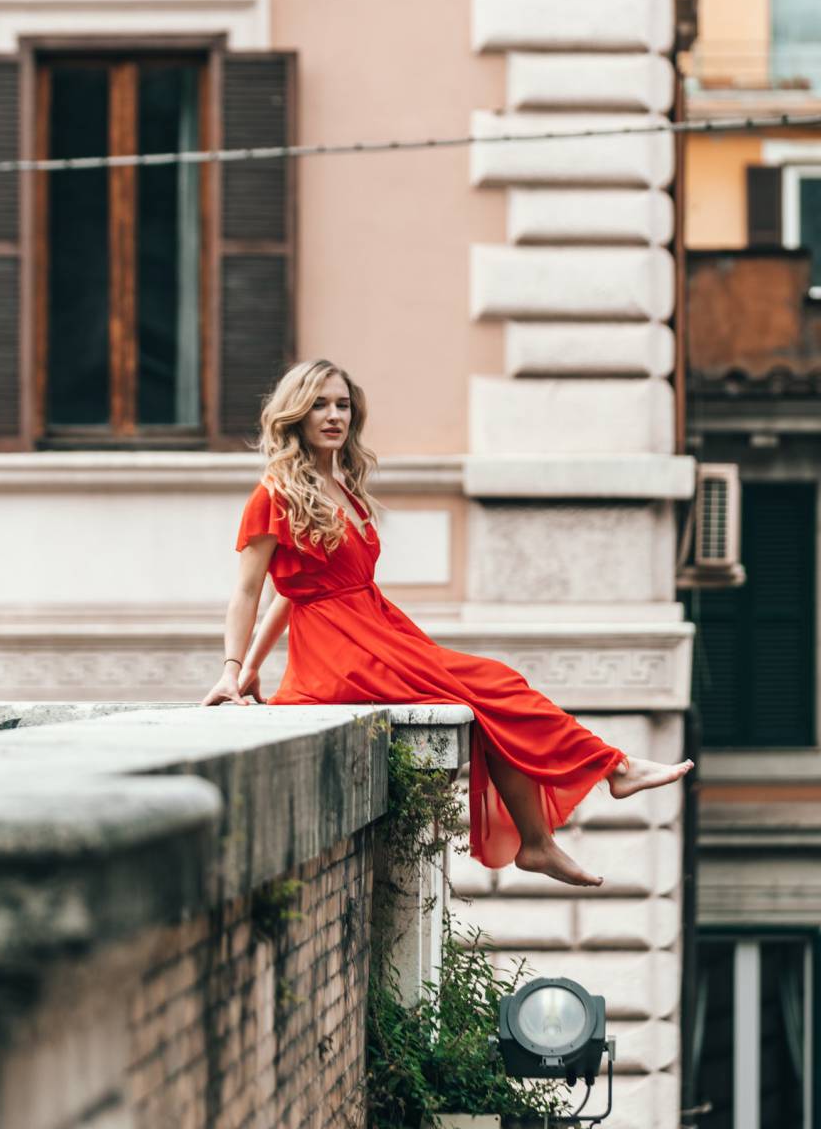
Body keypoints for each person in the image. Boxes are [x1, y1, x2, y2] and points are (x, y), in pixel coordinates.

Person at [203, 359, 692, 887]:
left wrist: (256, 669)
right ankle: (610, 770)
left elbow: (290, 595)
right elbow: (253, 590)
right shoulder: (275, 492)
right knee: (493, 684)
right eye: (319, 404)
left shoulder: (343, 485)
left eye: (342, 405)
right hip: (341, 653)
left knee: (491, 689)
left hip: (376, 630)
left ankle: (537, 841)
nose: (333, 416)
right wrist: (232, 670)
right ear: (295, 413)